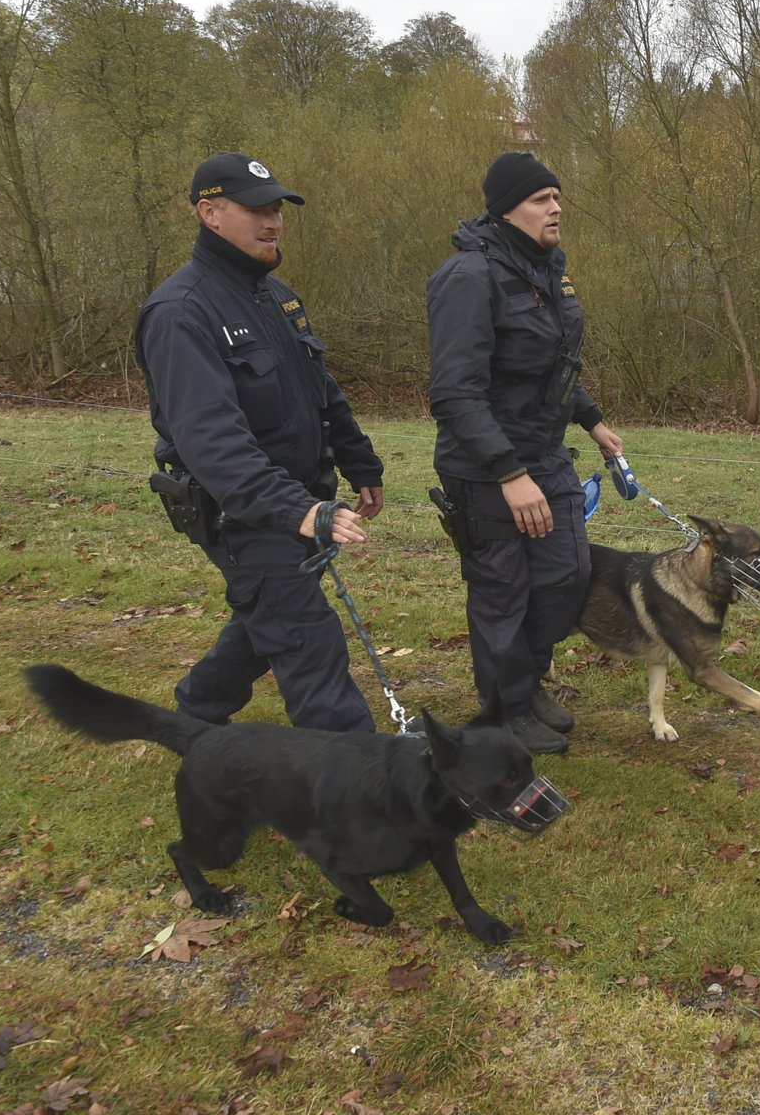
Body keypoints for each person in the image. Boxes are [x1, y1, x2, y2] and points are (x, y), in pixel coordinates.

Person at [136, 152, 384, 732]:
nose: (272, 221)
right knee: (307, 639)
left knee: (265, 618)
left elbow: (321, 389)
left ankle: (196, 715)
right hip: (245, 515)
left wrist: (359, 461)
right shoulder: (180, 313)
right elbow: (211, 441)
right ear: (210, 213)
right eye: (255, 209)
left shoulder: (277, 296)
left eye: (276, 208)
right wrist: (297, 510)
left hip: (303, 501)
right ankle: (355, 783)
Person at [426, 151, 623, 754]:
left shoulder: (548, 270)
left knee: (568, 573)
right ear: (507, 209)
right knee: (502, 590)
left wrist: (590, 419)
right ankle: (504, 709)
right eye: (542, 199)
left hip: (545, 453)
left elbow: (554, 360)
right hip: (487, 466)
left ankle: (525, 680)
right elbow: (454, 392)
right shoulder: (468, 277)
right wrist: (507, 472)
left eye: (558, 197)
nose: (556, 207)